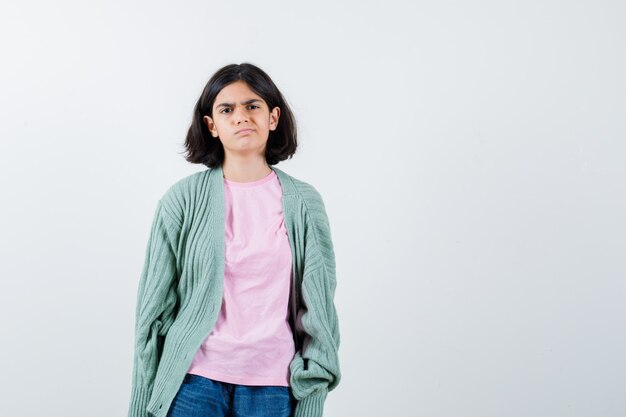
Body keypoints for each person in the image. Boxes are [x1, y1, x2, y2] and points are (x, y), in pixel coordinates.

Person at [127, 63, 341, 417]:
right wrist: (141, 406)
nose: (241, 116)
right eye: (227, 109)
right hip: (193, 382)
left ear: (273, 118)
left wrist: (312, 397)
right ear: (212, 125)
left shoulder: (304, 202)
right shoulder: (181, 201)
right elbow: (151, 313)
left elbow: (319, 312)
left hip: (275, 385)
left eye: (252, 106)